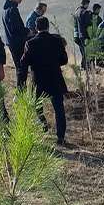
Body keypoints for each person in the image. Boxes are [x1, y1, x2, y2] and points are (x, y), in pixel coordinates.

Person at [20, 17, 71, 147]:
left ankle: (43, 125)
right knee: (59, 109)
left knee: (37, 106)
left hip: (38, 80)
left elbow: (24, 63)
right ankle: (60, 137)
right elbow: (64, 60)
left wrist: (22, 82)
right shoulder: (57, 40)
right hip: (55, 78)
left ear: (36, 28)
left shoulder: (30, 43)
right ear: (48, 27)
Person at [2, 0, 29, 89]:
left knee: (19, 67)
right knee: (21, 67)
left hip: (12, 42)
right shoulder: (12, 9)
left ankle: (21, 89)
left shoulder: (5, 9)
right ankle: (21, 90)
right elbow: (16, 28)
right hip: (17, 42)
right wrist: (27, 31)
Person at [73, 0, 93, 68]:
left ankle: (84, 66)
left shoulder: (76, 11)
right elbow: (88, 24)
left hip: (76, 35)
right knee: (87, 52)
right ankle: (86, 67)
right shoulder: (85, 12)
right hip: (84, 35)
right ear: (86, 4)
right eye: (88, 4)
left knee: (83, 51)